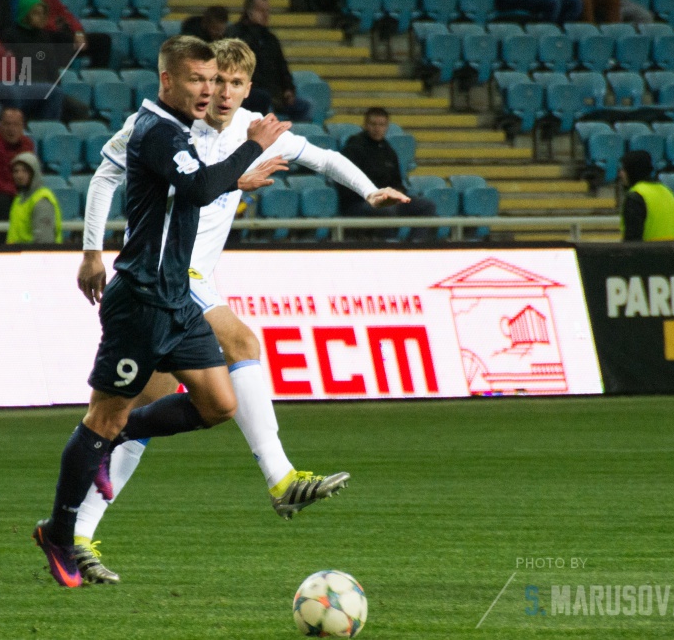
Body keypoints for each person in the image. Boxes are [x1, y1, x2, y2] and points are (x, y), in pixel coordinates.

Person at [69, 38, 410, 584]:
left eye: (233, 83)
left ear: (248, 88)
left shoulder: (254, 127)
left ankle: (78, 534)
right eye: (214, 81)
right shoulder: (166, 127)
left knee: (134, 418)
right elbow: (106, 175)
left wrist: (369, 192)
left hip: (190, 282)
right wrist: (91, 250)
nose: (221, 93)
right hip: (164, 276)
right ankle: (281, 478)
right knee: (243, 343)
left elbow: (322, 158)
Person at [32, 35, 290, 588]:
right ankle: (59, 531)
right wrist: (251, 147)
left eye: (212, 79)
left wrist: (234, 174)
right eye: (197, 79)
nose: (208, 90)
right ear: (168, 80)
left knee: (219, 404)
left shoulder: (180, 132)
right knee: (101, 418)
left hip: (177, 300)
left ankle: (116, 437)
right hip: (142, 300)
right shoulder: (155, 130)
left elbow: (196, 185)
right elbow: (196, 187)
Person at [337, 108, 437, 241]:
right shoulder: (353, 148)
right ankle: (388, 245)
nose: (377, 128)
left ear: (387, 127)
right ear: (365, 125)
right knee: (387, 209)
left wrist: (398, 192)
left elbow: (397, 182)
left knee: (426, 206)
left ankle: (414, 244)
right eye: (373, 124)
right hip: (359, 203)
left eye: (381, 125)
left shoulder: (388, 150)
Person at [2, 0, 89, 122]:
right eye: (36, 13)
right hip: (23, 89)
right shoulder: (10, 36)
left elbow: (51, 66)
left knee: (80, 109)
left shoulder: (44, 36)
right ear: (25, 14)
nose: (41, 17)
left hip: (48, 89)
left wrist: (55, 87)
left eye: (43, 13)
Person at [226, 0, 311, 121]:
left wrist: (288, 89)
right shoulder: (237, 37)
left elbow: (283, 67)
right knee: (263, 99)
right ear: (249, 12)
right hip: (251, 94)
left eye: (267, 11)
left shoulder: (271, 39)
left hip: (275, 95)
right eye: (261, 11)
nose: (266, 15)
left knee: (305, 107)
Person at [16, 0, 112, 69]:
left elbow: (65, 14)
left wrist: (79, 33)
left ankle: (96, 75)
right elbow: (33, 19)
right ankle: (59, 74)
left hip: (61, 34)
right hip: (39, 35)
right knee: (64, 39)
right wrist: (57, 26)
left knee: (103, 41)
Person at [619, 150, 674, 242]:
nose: (621, 174)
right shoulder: (668, 192)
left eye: (623, 169)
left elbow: (632, 241)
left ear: (632, 170)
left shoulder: (636, 196)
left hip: (646, 251)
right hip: (670, 250)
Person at [6, 151, 62, 244]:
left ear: (34, 173)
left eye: (25, 171)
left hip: (33, 253)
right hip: (17, 252)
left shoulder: (42, 200)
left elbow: (44, 242)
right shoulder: (19, 199)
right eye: (16, 171)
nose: (19, 175)